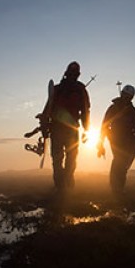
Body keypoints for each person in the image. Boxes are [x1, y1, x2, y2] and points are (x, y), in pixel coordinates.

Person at [47, 61, 90, 190]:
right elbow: (86, 110)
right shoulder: (76, 89)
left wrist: (86, 129)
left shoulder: (59, 89)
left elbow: (85, 110)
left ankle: (63, 186)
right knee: (66, 159)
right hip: (66, 129)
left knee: (61, 160)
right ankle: (64, 186)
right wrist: (86, 129)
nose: (73, 75)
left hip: (62, 129)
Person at [97, 84, 135, 196]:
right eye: (125, 95)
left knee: (122, 164)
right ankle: (116, 188)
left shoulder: (131, 111)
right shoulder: (121, 109)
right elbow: (104, 125)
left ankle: (118, 188)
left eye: (128, 96)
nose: (126, 98)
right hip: (116, 139)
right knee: (119, 162)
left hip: (125, 140)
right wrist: (100, 143)